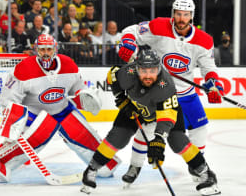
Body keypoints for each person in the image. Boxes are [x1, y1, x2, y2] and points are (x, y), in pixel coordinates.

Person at [80, 49, 220, 196]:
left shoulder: (166, 86)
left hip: (166, 112)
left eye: (152, 71)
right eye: (143, 71)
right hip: (135, 107)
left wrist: (158, 139)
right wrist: (120, 96)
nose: (148, 76)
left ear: (159, 69)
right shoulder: (129, 72)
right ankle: (91, 169)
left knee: (178, 141)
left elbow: (166, 118)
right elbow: (113, 74)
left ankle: (206, 173)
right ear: (136, 68)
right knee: (117, 138)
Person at [117, 0, 224, 186]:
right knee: (145, 131)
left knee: (200, 129)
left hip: (186, 94)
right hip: (157, 91)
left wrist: (213, 84)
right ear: (173, 14)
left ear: (192, 16)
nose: (181, 18)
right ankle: (134, 166)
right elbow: (131, 31)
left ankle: (196, 166)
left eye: (186, 15)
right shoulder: (159, 27)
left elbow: (209, 69)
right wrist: (128, 43)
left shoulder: (204, 40)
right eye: (178, 14)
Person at [0, 34, 121, 183]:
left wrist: (85, 97)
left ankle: (104, 162)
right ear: (36, 50)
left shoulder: (68, 64)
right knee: (30, 140)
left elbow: (77, 91)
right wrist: (15, 121)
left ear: (55, 49)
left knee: (104, 166)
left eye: (49, 49)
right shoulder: (23, 68)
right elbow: (9, 100)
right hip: (35, 116)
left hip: (63, 111)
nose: (45, 53)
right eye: (42, 49)